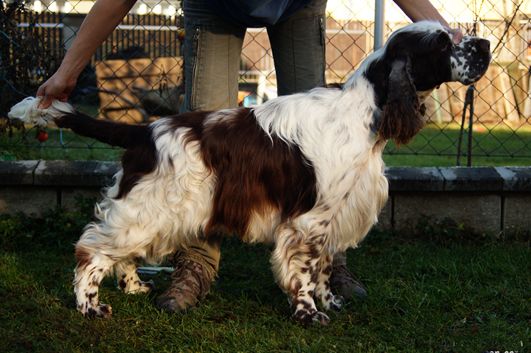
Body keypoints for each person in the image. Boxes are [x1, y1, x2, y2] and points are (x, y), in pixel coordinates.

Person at [37, 0, 463, 313]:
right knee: (196, 158)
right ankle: (197, 265)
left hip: (298, 6)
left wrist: (444, 34)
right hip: (217, 6)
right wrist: (69, 70)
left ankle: (326, 271)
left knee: (330, 159)